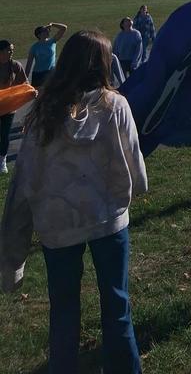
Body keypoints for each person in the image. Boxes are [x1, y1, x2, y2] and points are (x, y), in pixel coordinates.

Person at [0, 29, 147, 374]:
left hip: (57, 225)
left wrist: (12, 255)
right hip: (108, 220)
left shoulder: (43, 114)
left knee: (63, 312)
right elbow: (136, 169)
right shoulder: (116, 106)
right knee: (118, 307)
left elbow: (24, 182)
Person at [0, 40, 30, 174]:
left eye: (12, 50)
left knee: (5, 134)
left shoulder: (15, 66)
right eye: (9, 50)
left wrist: (29, 92)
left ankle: (2, 161)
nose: (12, 52)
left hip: (9, 106)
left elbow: (24, 83)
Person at [25, 21, 67, 88]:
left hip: (51, 73)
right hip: (38, 74)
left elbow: (64, 28)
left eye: (47, 30)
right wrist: (25, 79)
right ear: (39, 35)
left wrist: (52, 24)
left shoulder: (53, 41)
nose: (47, 31)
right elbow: (29, 65)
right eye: (44, 31)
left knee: (51, 94)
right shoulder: (34, 47)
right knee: (38, 95)